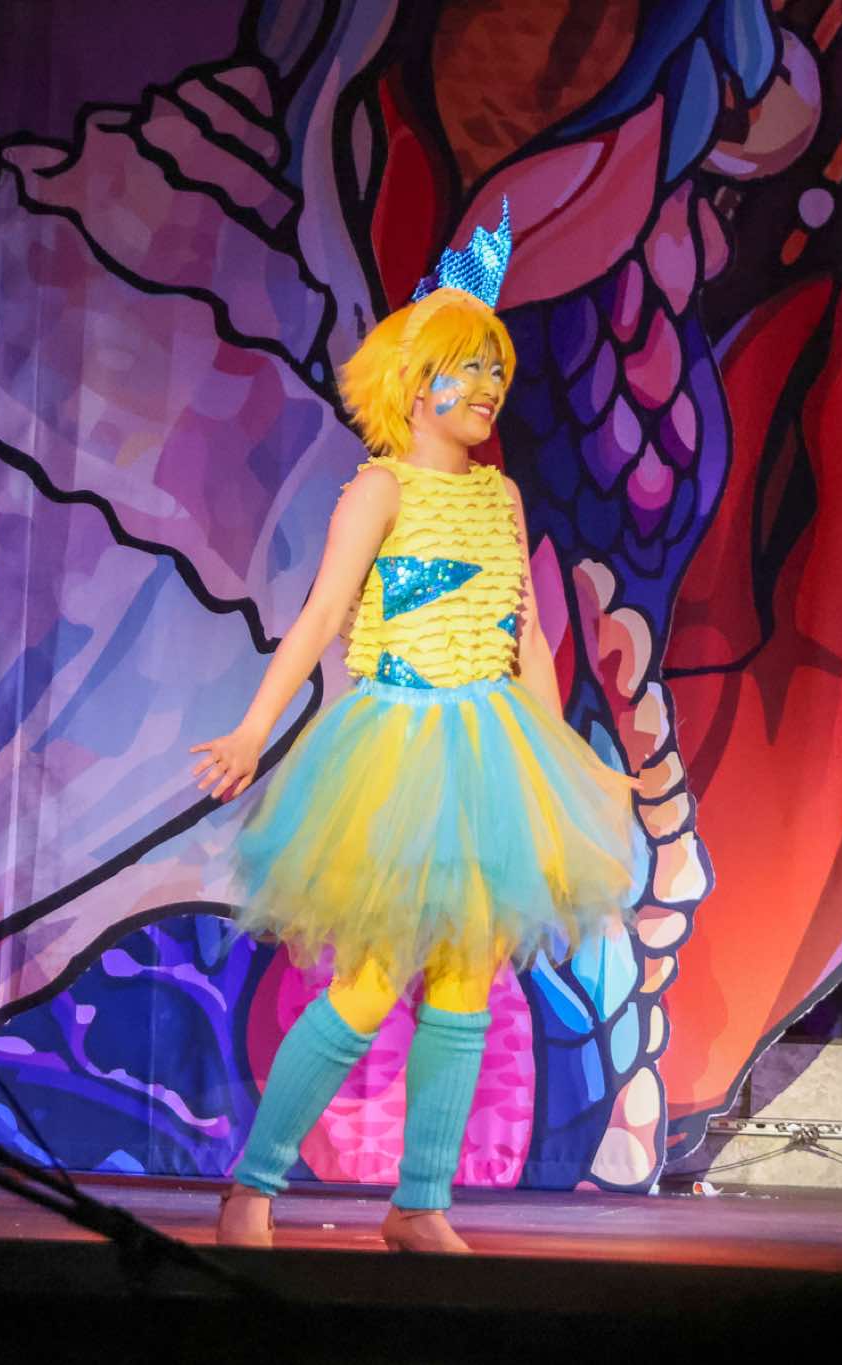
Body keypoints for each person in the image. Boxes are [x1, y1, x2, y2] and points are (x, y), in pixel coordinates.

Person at [193, 209, 640, 1253]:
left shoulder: (500, 496)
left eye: (496, 371)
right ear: (413, 382)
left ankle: (420, 1203)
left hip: (490, 751)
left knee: (466, 979)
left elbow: (525, 638)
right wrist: (254, 731)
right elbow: (320, 618)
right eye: (467, 369)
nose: (487, 388)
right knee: (365, 983)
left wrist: (562, 764)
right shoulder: (380, 489)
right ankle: (252, 1187)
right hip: (398, 753)